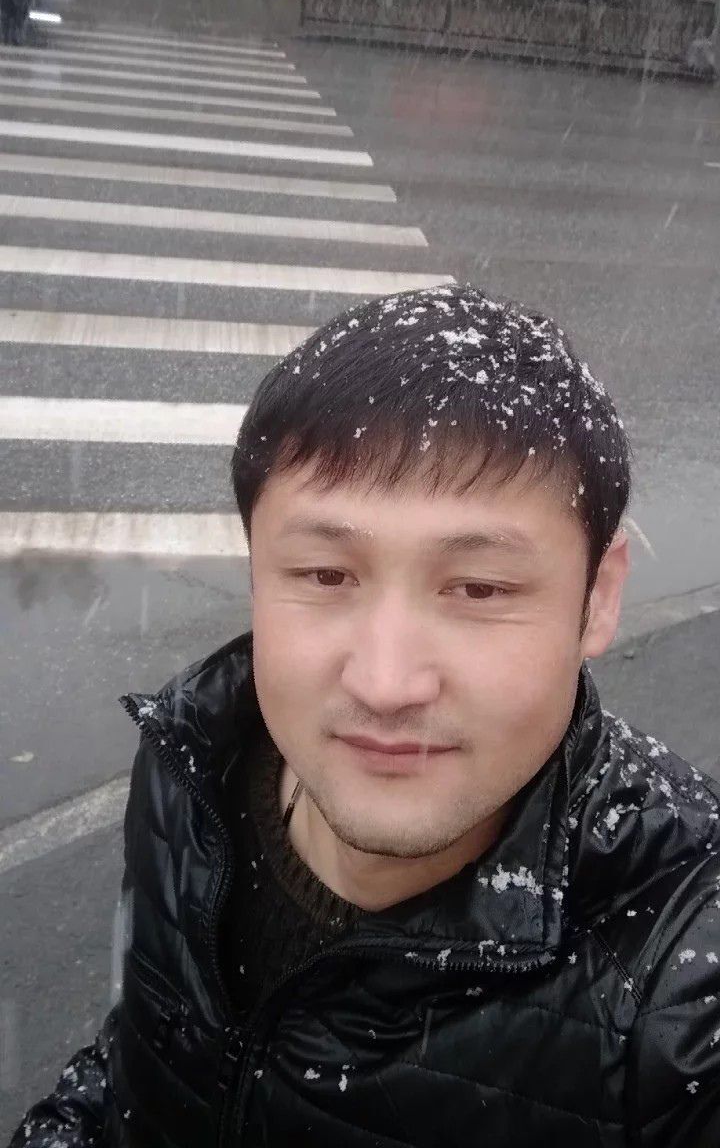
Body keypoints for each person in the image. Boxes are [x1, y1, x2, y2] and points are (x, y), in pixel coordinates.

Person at [11, 285, 720, 1147]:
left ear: (598, 597)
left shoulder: (683, 986)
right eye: (325, 575)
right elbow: (138, 1061)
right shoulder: (191, 768)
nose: (386, 684)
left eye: (479, 589)